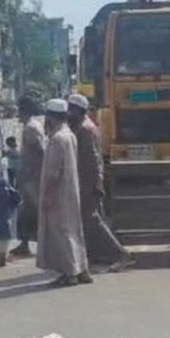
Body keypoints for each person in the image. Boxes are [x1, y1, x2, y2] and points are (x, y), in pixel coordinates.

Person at [67, 94, 130, 268]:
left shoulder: (84, 129)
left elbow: (92, 160)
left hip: (88, 182)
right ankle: (94, 255)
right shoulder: (83, 126)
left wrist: (96, 183)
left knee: (92, 219)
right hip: (86, 181)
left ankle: (119, 254)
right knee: (88, 220)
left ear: (77, 110)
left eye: (70, 109)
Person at [37, 98, 91, 287]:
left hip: (59, 192)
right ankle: (82, 269)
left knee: (62, 233)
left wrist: (47, 198)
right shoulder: (69, 135)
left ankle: (70, 273)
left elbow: (52, 173)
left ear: (50, 118)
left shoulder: (57, 139)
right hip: (71, 190)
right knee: (74, 231)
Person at [11, 97, 46, 257]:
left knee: (36, 212)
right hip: (29, 175)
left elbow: (40, 150)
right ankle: (25, 244)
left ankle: (44, 245)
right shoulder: (30, 126)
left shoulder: (31, 128)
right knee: (26, 212)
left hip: (33, 177)